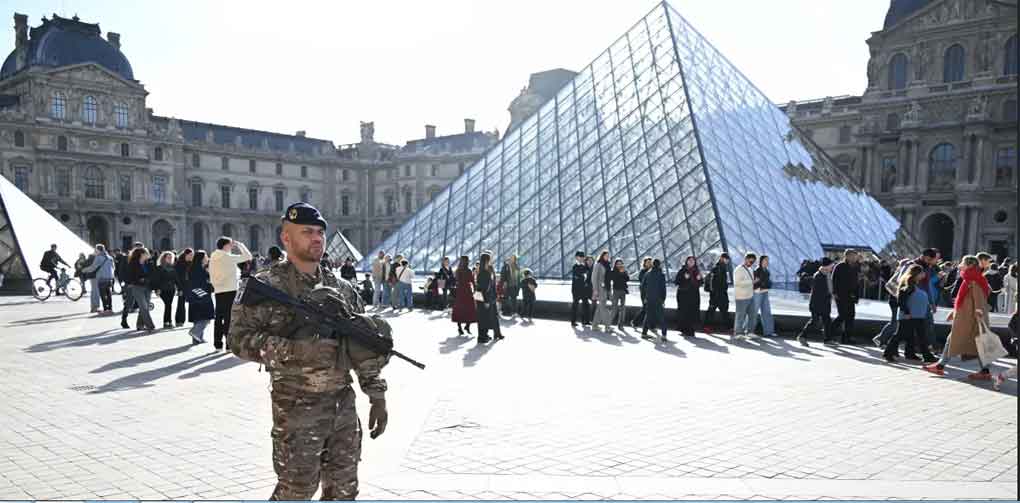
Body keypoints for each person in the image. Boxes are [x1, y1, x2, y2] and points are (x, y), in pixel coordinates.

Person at [228, 202, 390, 500]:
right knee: (296, 492)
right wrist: (296, 350)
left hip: (342, 408)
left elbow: (361, 345)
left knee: (344, 491)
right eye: (306, 232)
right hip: (296, 411)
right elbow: (238, 340)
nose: (317, 238)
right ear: (286, 238)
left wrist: (376, 394)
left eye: (320, 232)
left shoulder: (342, 288)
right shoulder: (265, 286)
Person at [924, 255, 994, 379]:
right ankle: (985, 371)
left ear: (970, 265)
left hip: (970, 319)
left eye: (963, 263)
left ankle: (940, 366)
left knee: (957, 340)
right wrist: (955, 311)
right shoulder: (972, 278)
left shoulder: (973, 280)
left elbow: (979, 300)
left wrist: (977, 317)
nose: (960, 265)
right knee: (976, 343)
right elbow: (967, 299)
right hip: (967, 317)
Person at [883, 264, 937, 363]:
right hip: (909, 316)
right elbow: (901, 300)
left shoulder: (914, 284)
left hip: (917, 315)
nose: (924, 274)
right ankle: (888, 353)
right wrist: (906, 312)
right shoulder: (908, 285)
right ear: (916, 274)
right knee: (900, 335)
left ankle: (914, 354)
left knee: (918, 336)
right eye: (922, 272)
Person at [209, 236, 253, 351]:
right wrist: (240, 245)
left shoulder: (213, 256)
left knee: (219, 317)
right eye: (230, 245)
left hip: (218, 290)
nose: (231, 247)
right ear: (225, 246)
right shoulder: (227, 257)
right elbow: (248, 256)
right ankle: (229, 345)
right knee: (229, 318)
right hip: (230, 290)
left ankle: (217, 344)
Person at [797, 257, 834, 347]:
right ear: (826, 266)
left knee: (827, 321)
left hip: (825, 303)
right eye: (831, 265)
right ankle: (802, 336)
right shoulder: (818, 276)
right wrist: (829, 295)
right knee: (814, 321)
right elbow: (819, 291)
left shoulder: (827, 274)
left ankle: (827, 339)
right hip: (817, 303)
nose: (832, 267)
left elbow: (829, 288)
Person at [120, 247, 156, 332]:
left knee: (145, 306)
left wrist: (148, 280)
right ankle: (150, 326)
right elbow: (130, 276)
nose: (148, 254)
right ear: (141, 254)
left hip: (148, 287)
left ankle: (140, 325)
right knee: (144, 307)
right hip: (137, 287)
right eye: (146, 253)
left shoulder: (149, 263)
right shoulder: (132, 263)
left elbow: (153, 274)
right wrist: (138, 280)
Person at [831, 249, 860, 344]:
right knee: (842, 315)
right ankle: (828, 332)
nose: (855, 258)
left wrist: (856, 296)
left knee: (851, 316)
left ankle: (847, 338)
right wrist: (834, 293)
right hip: (841, 295)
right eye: (853, 256)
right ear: (847, 256)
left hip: (851, 296)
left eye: (855, 256)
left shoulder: (855, 267)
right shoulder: (839, 266)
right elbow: (833, 280)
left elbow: (856, 282)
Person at [186, 250, 214, 344]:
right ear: (201, 259)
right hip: (201, 294)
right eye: (206, 257)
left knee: (197, 317)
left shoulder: (194, 268)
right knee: (206, 316)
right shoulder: (199, 269)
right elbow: (201, 282)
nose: (207, 258)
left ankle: (197, 338)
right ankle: (195, 332)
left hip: (195, 295)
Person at [475, 251, 502, 343]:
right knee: (483, 318)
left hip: (490, 297)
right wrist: (486, 301)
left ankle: (487, 335)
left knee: (489, 316)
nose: (492, 260)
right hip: (484, 299)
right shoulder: (483, 273)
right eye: (490, 259)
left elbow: (492, 284)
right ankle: (482, 337)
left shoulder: (489, 270)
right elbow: (483, 289)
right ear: (486, 260)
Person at [82, 244, 115, 313]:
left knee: (102, 294)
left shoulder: (98, 257)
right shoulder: (109, 257)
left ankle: (105, 309)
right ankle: (110, 308)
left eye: (96, 249)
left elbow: (93, 267)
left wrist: (84, 270)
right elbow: (113, 267)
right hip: (109, 278)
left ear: (98, 250)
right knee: (108, 293)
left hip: (101, 278)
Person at [641, 259, 668, 343]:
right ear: (659, 265)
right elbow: (663, 288)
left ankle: (644, 333)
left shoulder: (647, 273)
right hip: (658, 299)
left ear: (653, 264)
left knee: (648, 316)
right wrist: (663, 299)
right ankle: (664, 335)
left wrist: (644, 297)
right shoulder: (661, 275)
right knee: (661, 317)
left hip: (649, 298)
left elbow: (643, 286)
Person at [674, 256, 701, 338]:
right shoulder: (682, 270)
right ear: (687, 261)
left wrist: (699, 279)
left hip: (694, 295)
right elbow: (676, 281)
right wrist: (684, 278)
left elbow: (700, 283)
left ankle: (689, 329)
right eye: (690, 260)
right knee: (684, 312)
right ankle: (686, 329)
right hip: (684, 295)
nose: (691, 262)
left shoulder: (697, 271)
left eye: (693, 261)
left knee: (692, 311)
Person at [732, 253, 756, 340]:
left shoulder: (750, 269)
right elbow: (737, 283)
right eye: (750, 261)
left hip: (750, 295)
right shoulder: (739, 269)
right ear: (745, 259)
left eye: (753, 262)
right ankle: (738, 333)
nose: (751, 263)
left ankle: (750, 332)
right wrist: (751, 282)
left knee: (752, 315)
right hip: (741, 296)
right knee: (740, 315)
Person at [451, 256, 477, 336]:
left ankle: (460, 328)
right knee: (470, 308)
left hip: (460, 292)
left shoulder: (458, 270)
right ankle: (467, 326)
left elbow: (455, 281)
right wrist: (475, 289)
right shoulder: (468, 270)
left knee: (459, 309)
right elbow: (472, 281)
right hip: (467, 291)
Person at [704, 253, 730, 332]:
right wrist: (715, 292)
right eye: (726, 259)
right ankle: (708, 326)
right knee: (716, 311)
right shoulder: (718, 268)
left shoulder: (722, 267)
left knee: (715, 311)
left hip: (718, 294)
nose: (727, 261)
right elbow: (715, 282)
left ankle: (708, 326)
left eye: (727, 259)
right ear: (721, 258)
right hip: (717, 294)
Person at [752, 255, 776, 338]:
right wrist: (757, 288)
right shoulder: (757, 270)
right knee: (753, 312)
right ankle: (748, 330)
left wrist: (767, 286)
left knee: (766, 312)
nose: (767, 262)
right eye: (766, 260)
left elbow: (768, 282)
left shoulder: (767, 271)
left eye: (768, 260)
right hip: (757, 292)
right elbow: (754, 282)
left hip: (765, 292)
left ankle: (769, 331)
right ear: (761, 261)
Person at [154, 251, 178, 330]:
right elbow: (156, 280)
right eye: (168, 257)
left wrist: (179, 288)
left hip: (171, 289)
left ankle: (168, 322)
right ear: (164, 258)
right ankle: (167, 322)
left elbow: (176, 279)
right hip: (162, 289)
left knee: (169, 305)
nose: (170, 259)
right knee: (168, 304)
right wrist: (157, 289)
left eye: (171, 257)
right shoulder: (159, 268)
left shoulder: (173, 267)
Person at [591, 250, 612, 331]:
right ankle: (607, 326)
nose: (607, 257)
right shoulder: (598, 265)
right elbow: (594, 278)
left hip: (606, 288)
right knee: (603, 307)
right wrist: (595, 289)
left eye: (608, 256)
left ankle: (594, 325)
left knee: (600, 307)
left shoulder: (608, 265)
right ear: (602, 256)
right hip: (600, 289)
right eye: (606, 256)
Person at [607, 259, 630, 330]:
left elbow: (627, 279)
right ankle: (608, 324)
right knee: (614, 308)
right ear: (615, 264)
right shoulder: (613, 271)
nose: (619, 265)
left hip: (623, 291)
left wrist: (623, 273)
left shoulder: (624, 271)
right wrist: (620, 273)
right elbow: (613, 279)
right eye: (618, 264)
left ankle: (621, 325)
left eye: (620, 264)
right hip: (616, 291)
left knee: (623, 309)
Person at [570, 251, 590, 328]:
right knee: (575, 305)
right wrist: (583, 275)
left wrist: (583, 275)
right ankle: (573, 321)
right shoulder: (574, 266)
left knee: (586, 305)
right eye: (580, 257)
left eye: (583, 257)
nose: (582, 258)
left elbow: (587, 274)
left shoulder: (585, 266)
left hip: (584, 289)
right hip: (576, 289)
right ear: (576, 257)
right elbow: (577, 276)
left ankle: (585, 321)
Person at [174, 249, 194, 327]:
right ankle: (179, 320)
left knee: (193, 303)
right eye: (191, 255)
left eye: (192, 255)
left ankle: (194, 319)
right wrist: (179, 288)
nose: (192, 256)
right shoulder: (179, 263)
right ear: (186, 254)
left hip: (190, 286)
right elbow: (177, 277)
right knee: (181, 303)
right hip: (182, 286)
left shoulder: (192, 263)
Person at [632, 257, 653, 329]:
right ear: (644, 263)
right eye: (648, 262)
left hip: (651, 292)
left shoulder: (653, 271)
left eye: (650, 262)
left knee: (649, 308)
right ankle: (635, 322)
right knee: (645, 308)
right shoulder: (643, 271)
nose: (649, 263)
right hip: (644, 292)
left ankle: (649, 325)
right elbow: (642, 281)